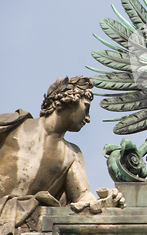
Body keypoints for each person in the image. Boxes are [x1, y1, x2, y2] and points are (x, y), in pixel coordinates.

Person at [0, 76, 125, 233]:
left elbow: (85, 201)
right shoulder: (13, 125)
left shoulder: (72, 155)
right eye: (86, 107)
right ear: (71, 99)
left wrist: (108, 201)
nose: (88, 118)